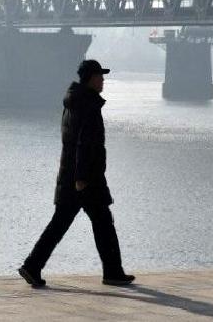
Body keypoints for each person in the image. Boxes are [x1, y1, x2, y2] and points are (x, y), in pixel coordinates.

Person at [18, 59, 135, 288]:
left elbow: (71, 142)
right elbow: (84, 143)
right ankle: (112, 272)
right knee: (100, 223)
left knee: (68, 224)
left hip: (73, 175)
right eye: (100, 76)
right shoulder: (88, 105)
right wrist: (81, 179)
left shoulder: (73, 102)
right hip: (86, 179)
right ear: (91, 78)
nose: (103, 80)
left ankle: (33, 266)